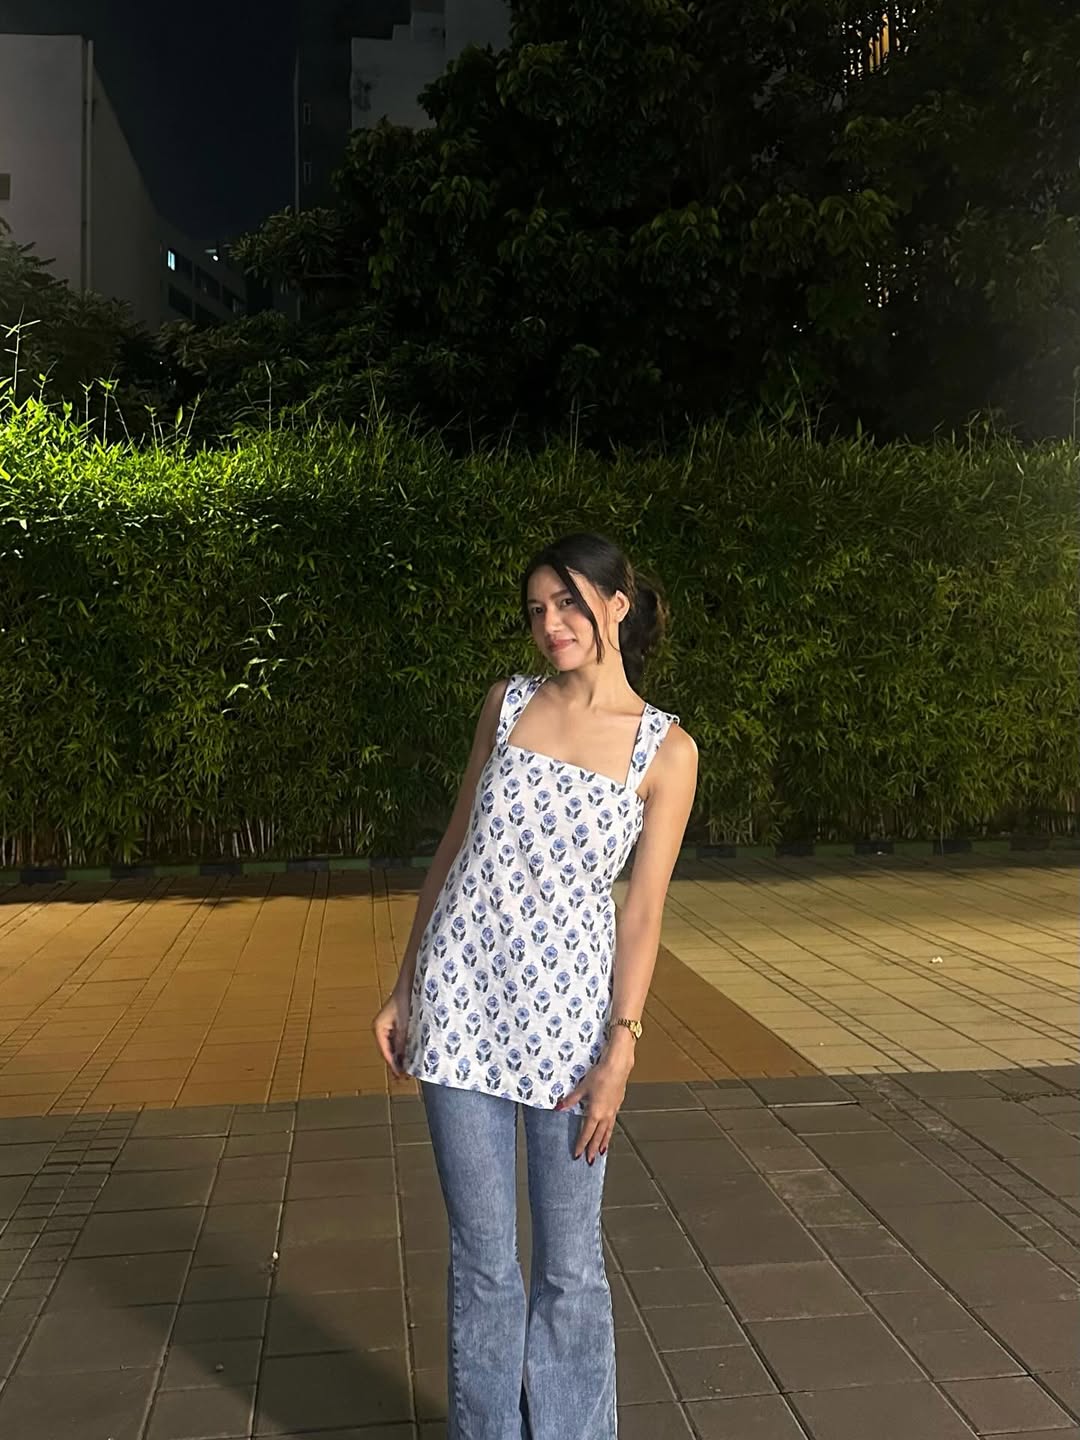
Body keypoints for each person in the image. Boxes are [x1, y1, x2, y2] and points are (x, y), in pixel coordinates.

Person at [372, 532, 698, 1440]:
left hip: (570, 1029)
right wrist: (406, 985)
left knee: (570, 1267)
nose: (550, 625)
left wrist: (622, 1049)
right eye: (537, 610)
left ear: (617, 605)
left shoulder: (666, 750)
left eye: (568, 604)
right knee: (482, 1263)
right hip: (459, 1004)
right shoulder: (508, 703)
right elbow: (455, 847)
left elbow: (643, 913)